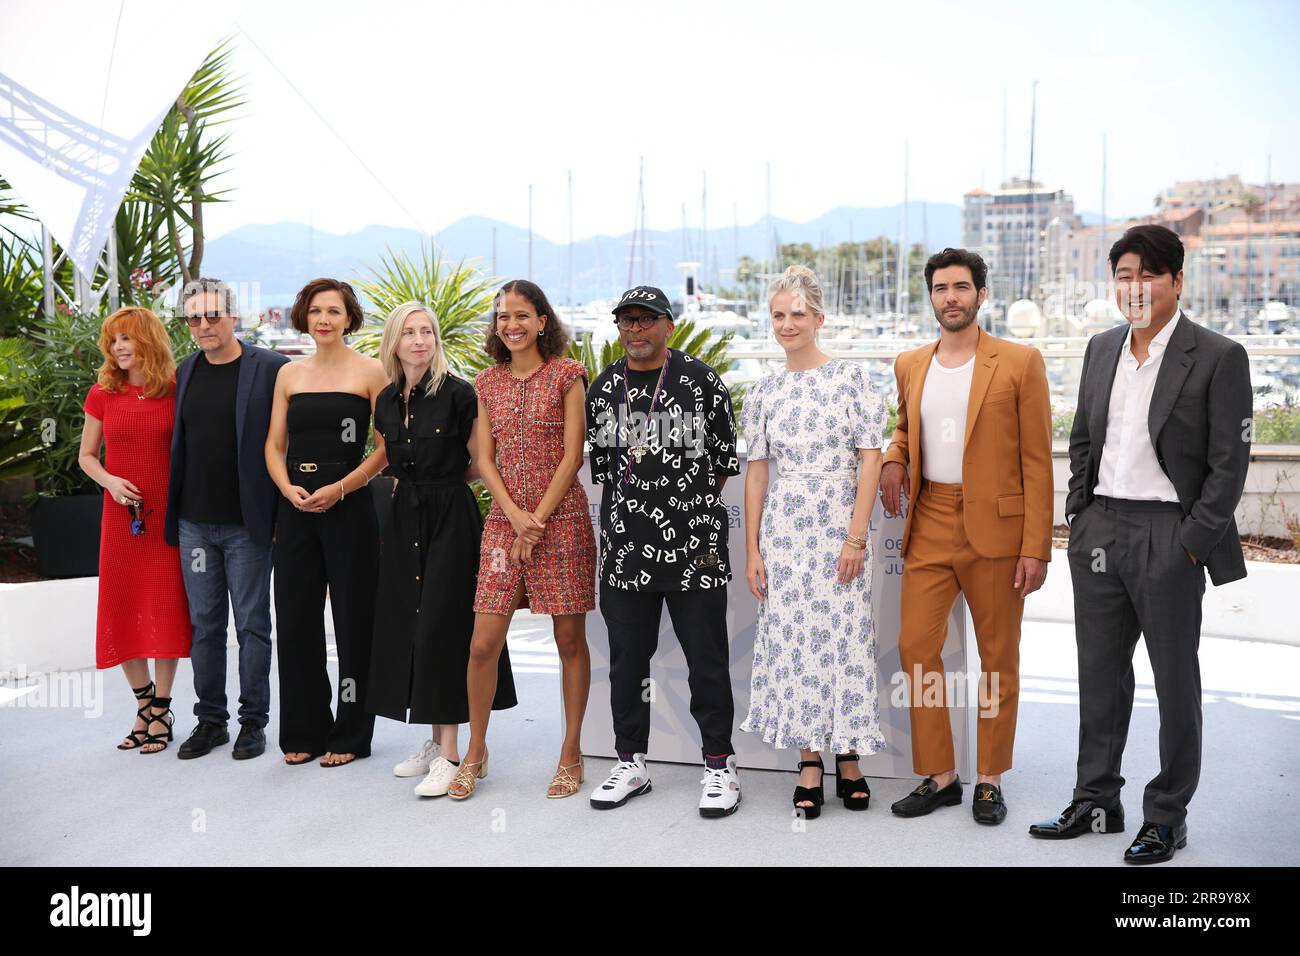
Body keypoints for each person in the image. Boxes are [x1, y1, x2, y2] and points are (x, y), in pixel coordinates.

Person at [1029, 225, 1252, 864]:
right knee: (1099, 676)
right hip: (1101, 530)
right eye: (1124, 275)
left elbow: (1228, 464)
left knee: (1174, 682)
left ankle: (1167, 816)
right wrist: (1081, 513)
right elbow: (1081, 442)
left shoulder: (1216, 355)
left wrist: (1190, 544)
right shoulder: (1101, 349)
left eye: (1149, 274)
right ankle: (1095, 797)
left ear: (1177, 282)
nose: (1136, 286)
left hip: (1169, 535)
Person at [879, 248, 1053, 826]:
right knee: (916, 649)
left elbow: (1038, 461)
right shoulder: (910, 363)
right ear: (930, 297)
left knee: (998, 657)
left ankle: (989, 778)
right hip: (930, 517)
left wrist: (1036, 546)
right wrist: (894, 460)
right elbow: (907, 429)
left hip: (997, 530)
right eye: (939, 288)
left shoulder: (1020, 362)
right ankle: (941, 774)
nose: (949, 297)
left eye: (960, 287)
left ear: (981, 294)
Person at [585, 285, 743, 818]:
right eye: (626, 321)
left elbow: (724, 459)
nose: (635, 330)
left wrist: (685, 507)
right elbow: (604, 471)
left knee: (707, 659)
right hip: (627, 545)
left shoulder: (701, 381)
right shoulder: (605, 389)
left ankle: (719, 765)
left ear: (667, 326)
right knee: (628, 661)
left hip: (695, 544)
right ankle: (631, 760)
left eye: (646, 320)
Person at [741, 266, 886, 818]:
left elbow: (870, 457)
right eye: (778, 315)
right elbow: (757, 473)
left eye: (797, 314)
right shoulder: (765, 392)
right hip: (784, 534)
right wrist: (753, 548)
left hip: (838, 529)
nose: (787, 324)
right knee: (795, 644)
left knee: (844, 638)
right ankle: (809, 761)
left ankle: (849, 756)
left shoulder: (851, 380)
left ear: (819, 319)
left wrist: (855, 537)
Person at [447, 279, 594, 800]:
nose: (512, 325)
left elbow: (572, 456)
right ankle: (475, 751)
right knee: (483, 643)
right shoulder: (486, 383)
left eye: (522, 315)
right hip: (502, 527)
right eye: (503, 316)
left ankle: (571, 751)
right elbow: (483, 459)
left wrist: (538, 520)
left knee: (568, 641)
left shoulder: (568, 375)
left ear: (542, 321)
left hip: (564, 523)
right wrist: (514, 516)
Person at [368, 301, 517, 797]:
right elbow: (387, 455)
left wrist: (449, 484)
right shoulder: (386, 400)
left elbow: (481, 462)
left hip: (451, 517)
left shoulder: (459, 395)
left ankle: (454, 755)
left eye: (426, 331)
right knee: (413, 626)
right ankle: (436, 743)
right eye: (409, 332)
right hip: (404, 515)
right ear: (394, 341)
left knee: (443, 625)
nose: (419, 340)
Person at [265, 278, 387, 767]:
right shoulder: (289, 374)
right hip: (294, 506)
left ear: (349, 318)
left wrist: (341, 488)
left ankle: (351, 734)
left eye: (334, 311)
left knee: (354, 620)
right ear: (304, 316)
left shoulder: (372, 371)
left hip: (349, 504)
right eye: (316, 310)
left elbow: (383, 449)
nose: (324, 319)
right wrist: (285, 488)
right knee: (295, 620)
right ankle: (302, 728)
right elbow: (274, 447)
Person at [166, 278, 289, 760]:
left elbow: (288, 441)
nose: (202, 325)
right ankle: (210, 721)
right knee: (204, 625)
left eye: (212, 315)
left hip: (248, 525)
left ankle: (253, 723)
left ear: (233, 316)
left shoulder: (272, 369)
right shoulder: (185, 371)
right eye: (193, 317)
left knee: (253, 625)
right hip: (194, 524)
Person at [79, 306, 192, 753]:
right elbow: (87, 456)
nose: (118, 348)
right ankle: (144, 705)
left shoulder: (176, 391)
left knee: (164, 607)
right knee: (122, 608)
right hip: (120, 519)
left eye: (126, 338)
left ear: (147, 341)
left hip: (165, 519)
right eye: (113, 340)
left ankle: (162, 708)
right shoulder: (102, 393)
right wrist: (109, 481)